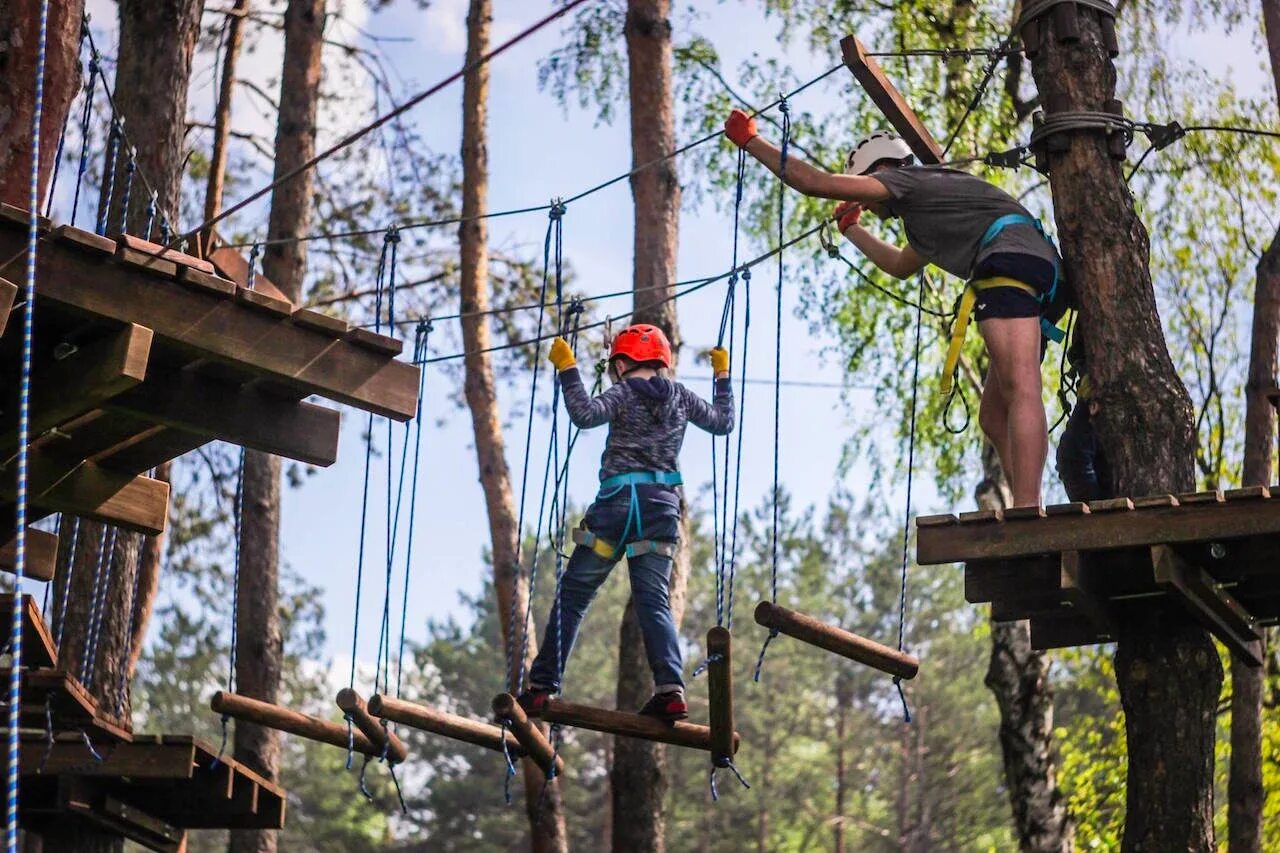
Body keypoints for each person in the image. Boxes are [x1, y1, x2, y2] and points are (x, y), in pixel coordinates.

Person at [725, 109, 1067, 508]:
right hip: (1038, 273)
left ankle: (1028, 508)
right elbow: (901, 266)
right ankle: (1029, 503)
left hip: (1009, 264)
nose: (867, 204)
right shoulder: (927, 211)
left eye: (865, 190)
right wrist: (852, 230)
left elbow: (813, 183)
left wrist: (752, 141)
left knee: (1020, 385)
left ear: (881, 169)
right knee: (993, 416)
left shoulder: (908, 180)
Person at [518, 324, 734, 722]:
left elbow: (584, 414)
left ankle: (541, 687)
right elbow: (723, 423)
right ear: (662, 361)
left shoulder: (622, 392)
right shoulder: (682, 397)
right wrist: (722, 376)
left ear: (620, 363)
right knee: (654, 601)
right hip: (660, 511)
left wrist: (568, 368)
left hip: (617, 508)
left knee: (575, 594)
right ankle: (671, 691)